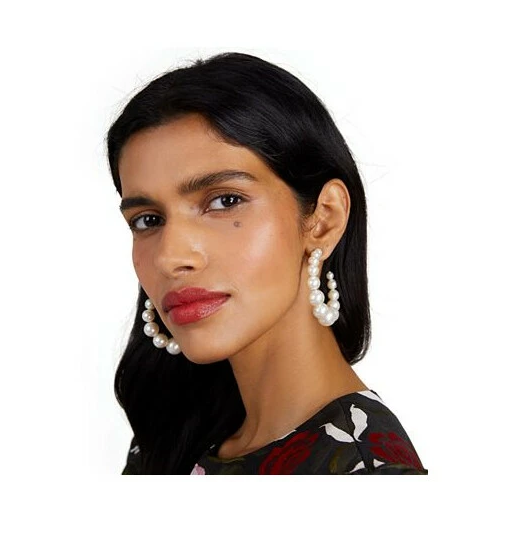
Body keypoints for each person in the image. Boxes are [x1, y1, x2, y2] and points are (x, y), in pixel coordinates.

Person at [106, 52, 427, 475]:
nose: (170, 257)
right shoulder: (171, 436)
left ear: (324, 219)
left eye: (225, 201)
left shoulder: (368, 472)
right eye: (148, 220)